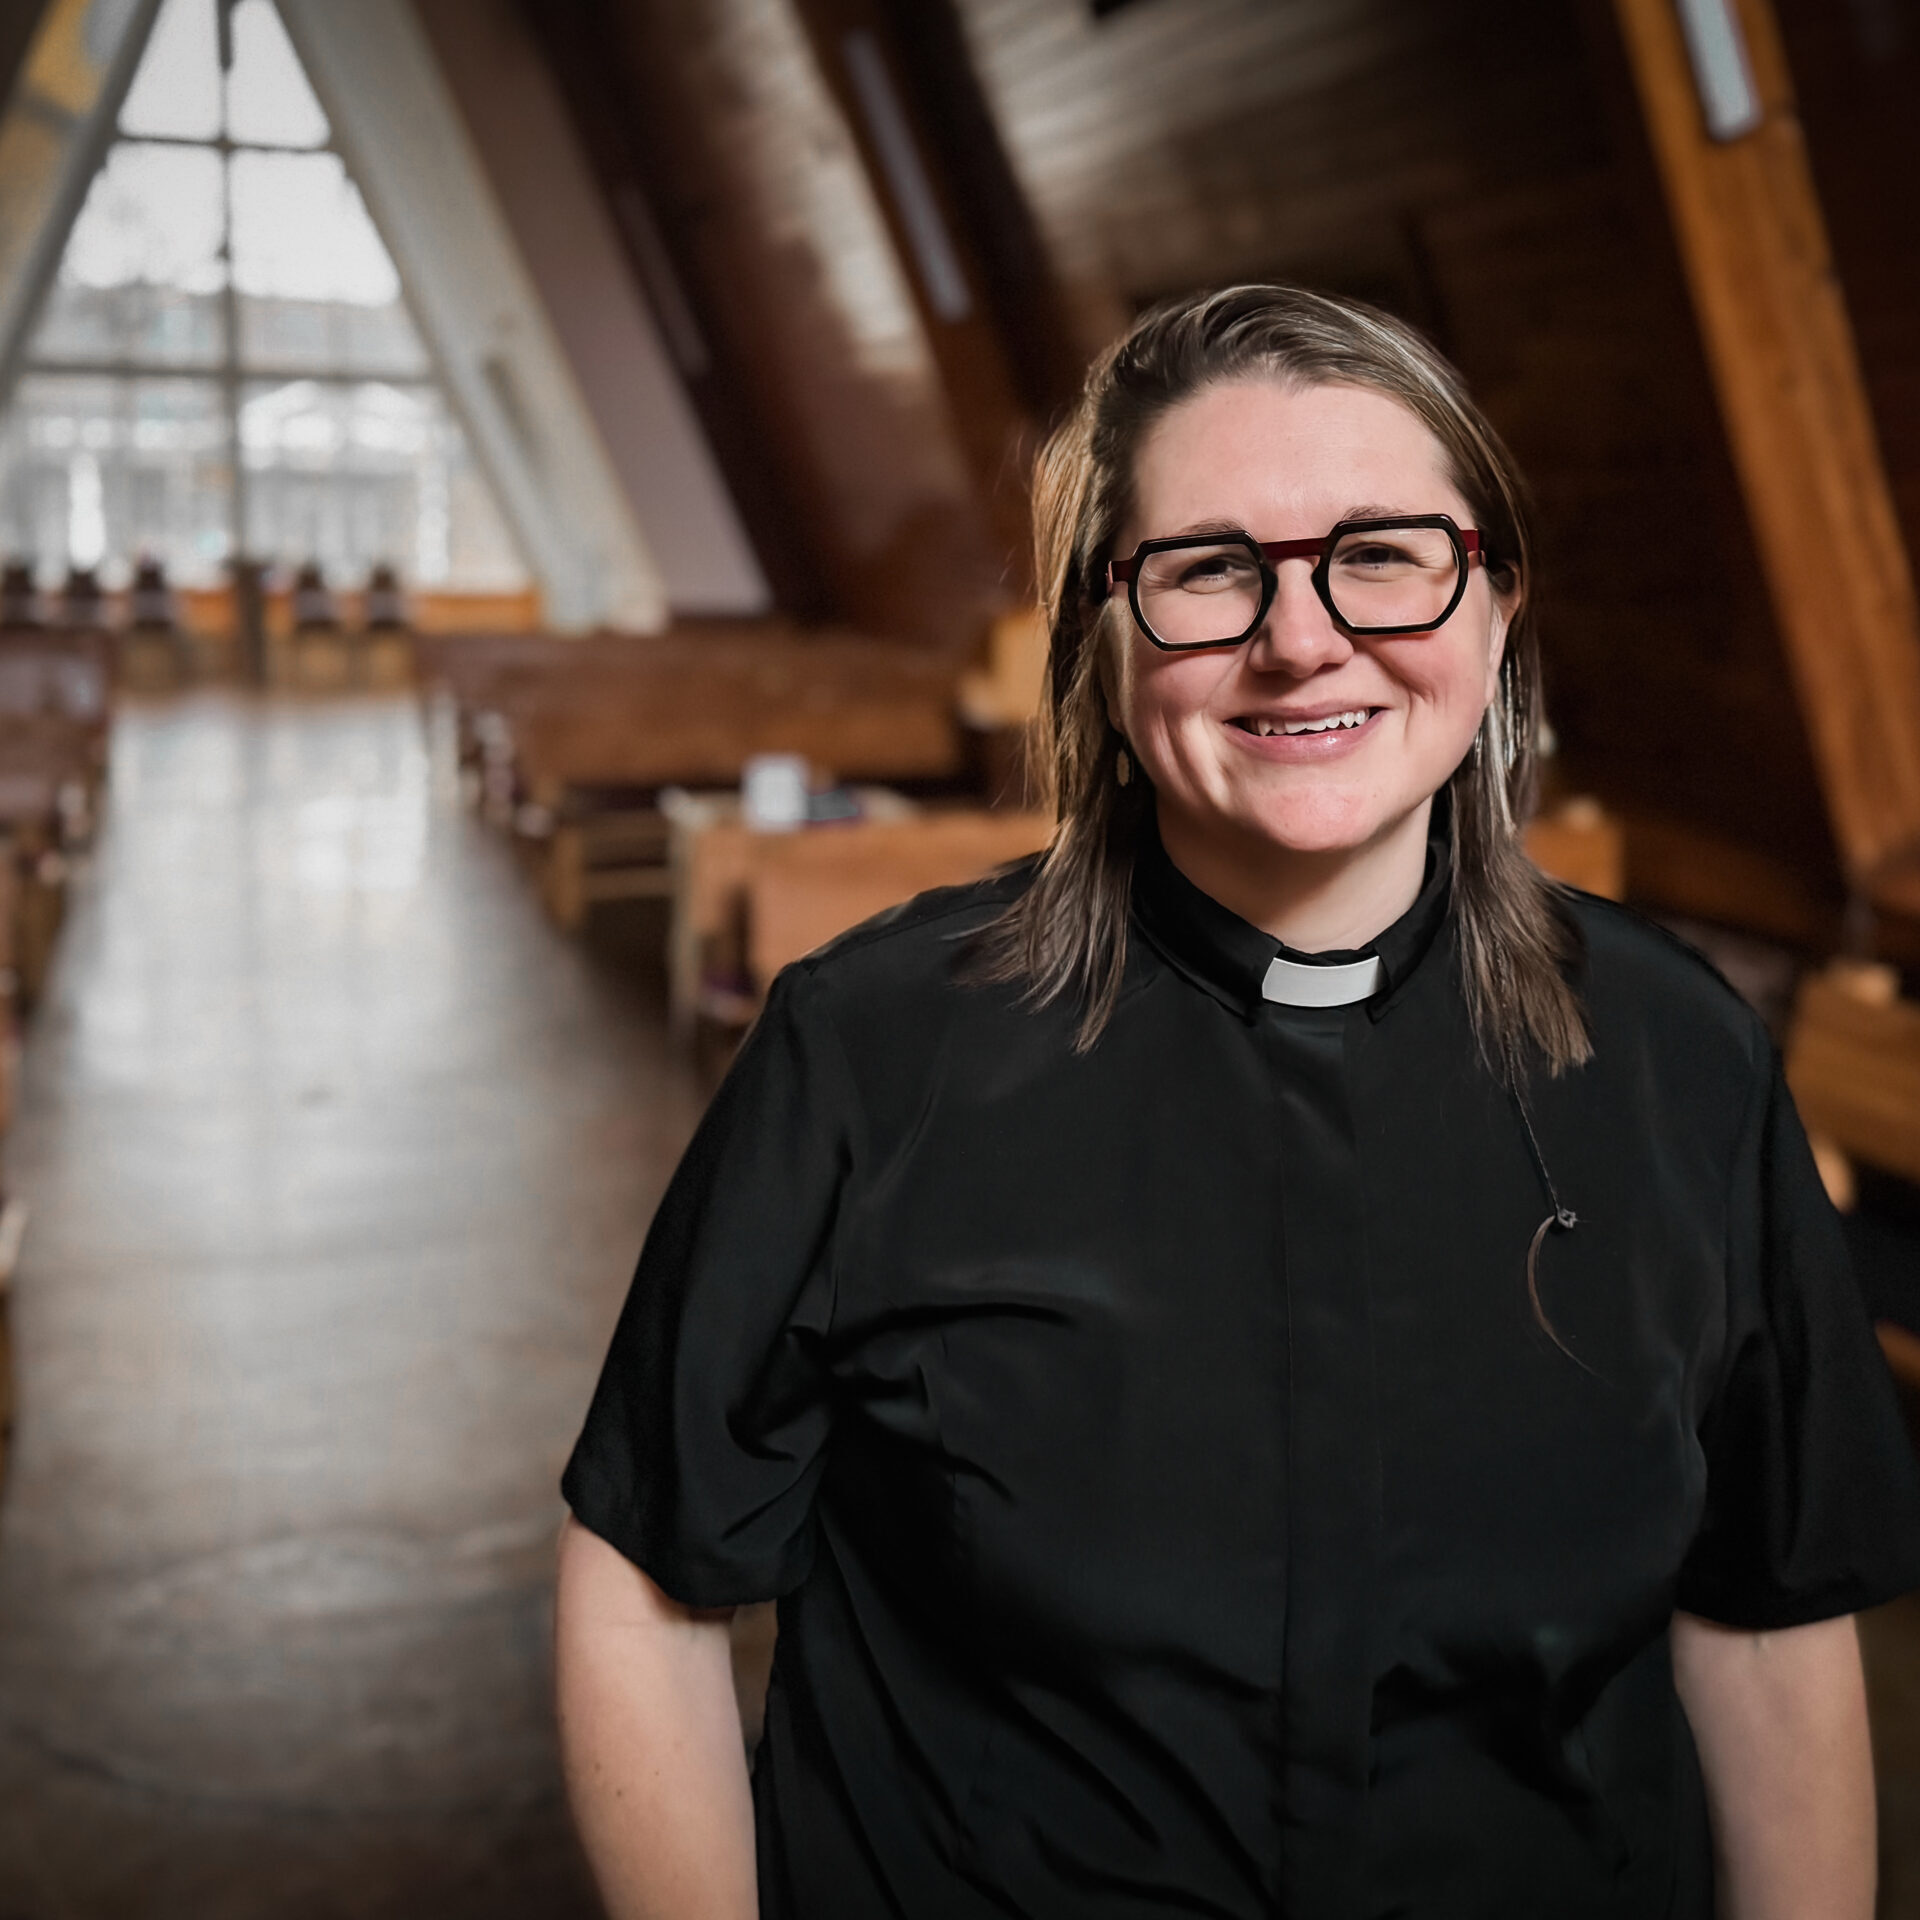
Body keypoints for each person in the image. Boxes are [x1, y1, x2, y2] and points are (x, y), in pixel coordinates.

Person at [555, 285, 1920, 1918]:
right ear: (1102, 637)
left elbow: (1766, 1618)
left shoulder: (1681, 1060)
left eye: (1386, 552)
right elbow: (644, 1580)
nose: (1300, 637)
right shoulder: (873, 1052)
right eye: (1211, 569)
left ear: (1493, 604)